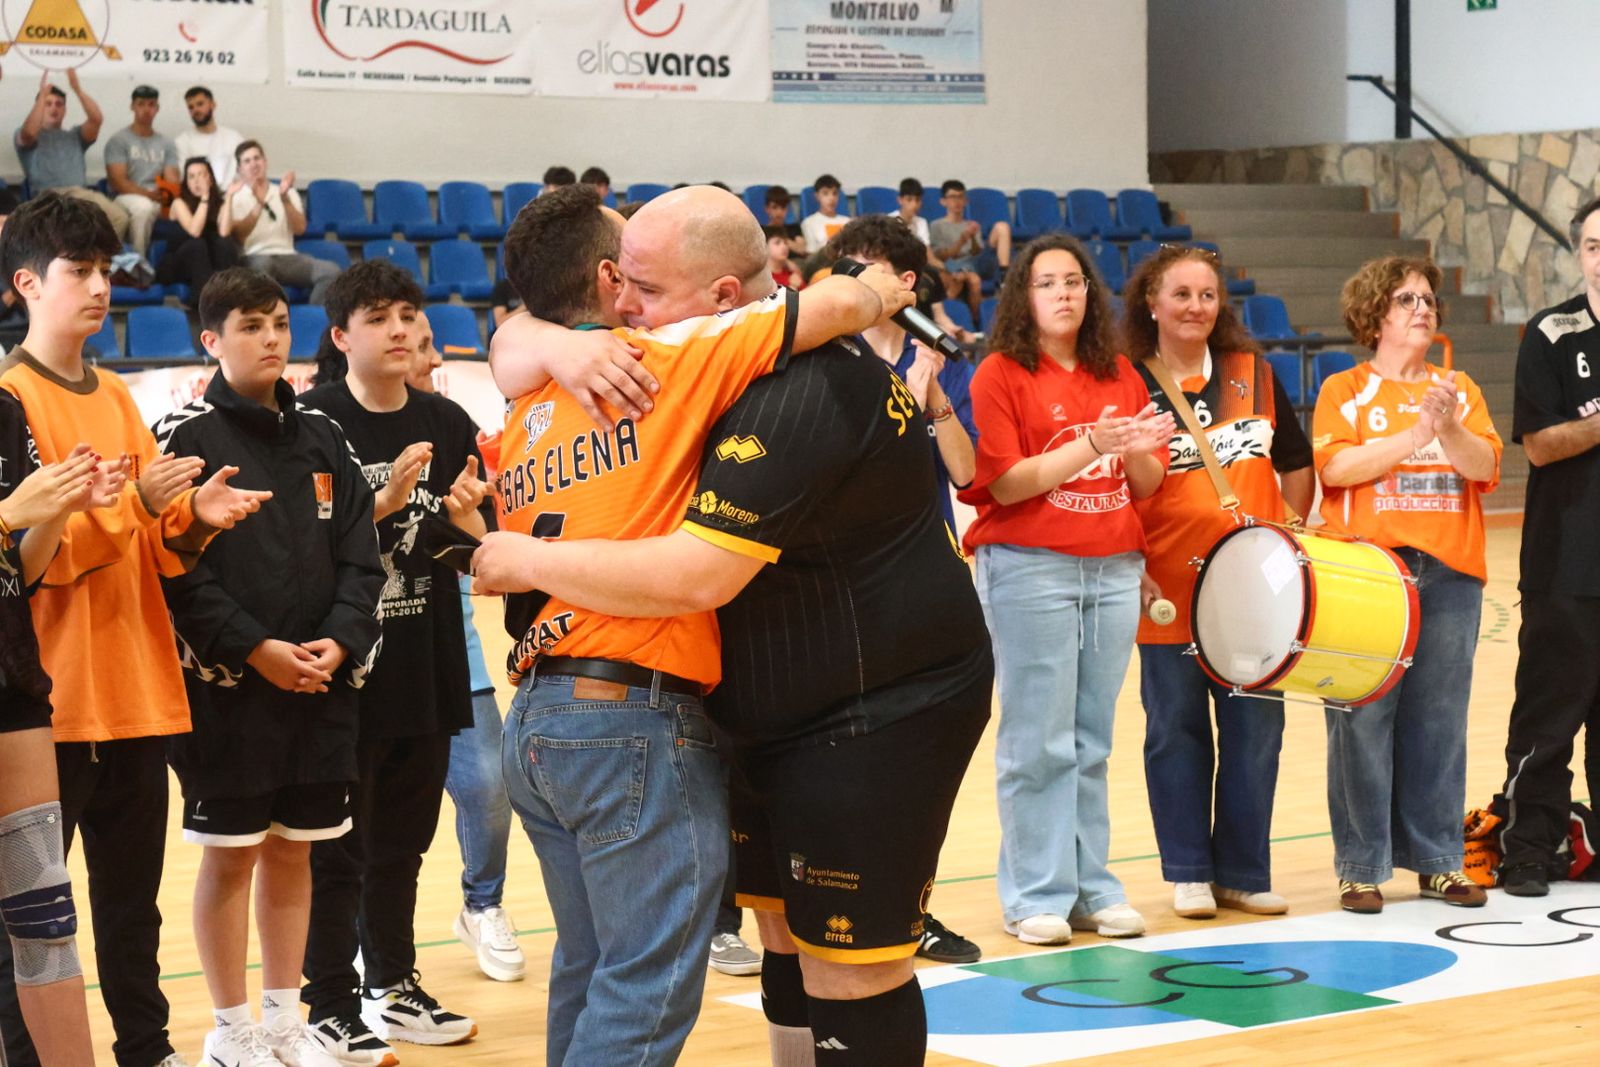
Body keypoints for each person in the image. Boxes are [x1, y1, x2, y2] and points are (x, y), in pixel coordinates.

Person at [476, 188, 992, 1067]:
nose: (625, 302)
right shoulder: (627, 360)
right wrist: (561, 341)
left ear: (720, 296)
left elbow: (700, 574)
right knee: (775, 939)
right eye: (616, 281)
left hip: (873, 704)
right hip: (729, 708)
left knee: (842, 960)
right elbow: (513, 339)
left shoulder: (772, 374)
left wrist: (520, 558)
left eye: (641, 283)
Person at [0, 191, 268, 1067]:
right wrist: (138, 513)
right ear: (26, 284)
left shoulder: (116, 393)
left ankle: (146, 1052)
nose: (99, 287)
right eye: (79, 271)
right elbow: (36, 557)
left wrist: (193, 518)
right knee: (32, 919)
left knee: (131, 910)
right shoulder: (11, 398)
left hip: (140, 688)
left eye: (107, 271)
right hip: (51, 706)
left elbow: (151, 540)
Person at [154, 268, 384, 1067]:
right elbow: (175, 573)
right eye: (251, 326)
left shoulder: (323, 435)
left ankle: (285, 1024)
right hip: (228, 696)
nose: (272, 339)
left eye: (280, 323)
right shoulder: (182, 437)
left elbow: (364, 555)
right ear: (210, 341)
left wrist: (340, 641)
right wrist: (256, 649)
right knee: (232, 855)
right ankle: (230, 1030)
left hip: (320, 689)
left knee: (296, 849)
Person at [959, 234, 1173, 947]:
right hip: (1030, 566)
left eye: (1075, 281)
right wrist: (1093, 444)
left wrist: (1143, 449)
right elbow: (1005, 482)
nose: (1064, 293)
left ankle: (1091, 887)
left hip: (1112, 567)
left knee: (1091, 738)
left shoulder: (1119, 373)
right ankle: (1034, 893)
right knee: (1037, 738)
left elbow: (1140, 485)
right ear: (1024, 294)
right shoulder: (999, 373)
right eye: (1048, 282)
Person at [298, 261, 486, 1061]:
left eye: (409, 313)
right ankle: (328, 1000)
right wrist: (374, 508)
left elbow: (452, 549)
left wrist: (463, 523)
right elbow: (302, 557)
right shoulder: (310, 422)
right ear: (342, 338)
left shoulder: (447, 420)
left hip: (426, 658)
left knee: (403, 846)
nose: (403, 329)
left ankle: (393, 984)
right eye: (380, 317)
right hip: (344, 673)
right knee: (338, 848)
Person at [1121, 244, 1314, 920]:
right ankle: (1188, 870)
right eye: (1181, 294)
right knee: (1175, 727)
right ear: (1152, 302)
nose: (1196, 306)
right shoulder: (1128, 381)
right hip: (1167, 586)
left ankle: (1242, 869)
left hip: (1257, 596)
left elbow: (1295, 460)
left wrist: (1288, 526)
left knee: (1256, 728)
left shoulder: (1254, 373)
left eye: (1207, 295)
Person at [1313, 255, 1500, 914]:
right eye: (1405, 299)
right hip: (1369, 576)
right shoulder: (1344, 388)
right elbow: (1336, 468)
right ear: (1375, 316)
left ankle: (1441, 862)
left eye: (1427, 299)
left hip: (1451, 572)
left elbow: (1485, 466)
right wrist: (1417, 431)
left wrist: (1446, 425)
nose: (1421, 308)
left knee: (1440, 722)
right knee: (1362, 718)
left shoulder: (1460, 387)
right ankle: (1359, 866)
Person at [400, 309, 528, 983]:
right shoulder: (332, 425)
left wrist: (470, 516)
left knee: (488, 785)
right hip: (376, 654)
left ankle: (483, 904)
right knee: (387, 815)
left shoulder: (452, 428)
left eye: (426, 343)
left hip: (453, 646)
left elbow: (477, 561)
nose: (425, 357)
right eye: (413, 344)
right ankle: (375, 940)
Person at [1, 396, 124, 1067]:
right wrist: (6, 514)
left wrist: (57, 510)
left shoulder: (2, 409)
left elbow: (21, 565)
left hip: (11, 679)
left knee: (44, 915)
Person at [1495, 196, 1600, 896]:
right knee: (1548, 718)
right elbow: (1539, 444)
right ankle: (1529, 846)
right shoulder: (1552, 333)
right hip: (1567, 563)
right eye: (1594, 245)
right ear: (1580, 254)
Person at [14, 70, 127, 238]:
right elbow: (29, 133)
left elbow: (96, 119)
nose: (54, 108)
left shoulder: (75, 136)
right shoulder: (26, 135)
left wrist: (77, 89)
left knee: (119, 218)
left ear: (65, 110)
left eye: (59, 104)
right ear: (39, 106)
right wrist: (42, 94)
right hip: (47, 198)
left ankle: (97, 259)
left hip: (81, 195)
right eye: (48, 103)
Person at [229, 140, 340, 306]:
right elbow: (238, 236)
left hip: (288, 256)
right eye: (247, 161)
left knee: (331, 271)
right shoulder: (236, 196)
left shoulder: (285, 191)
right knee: (262, 270)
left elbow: (300, 228)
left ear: (265, 162)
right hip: (254, 256)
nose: (253, 164)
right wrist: (258, 204)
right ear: (239, 169)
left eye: (257, 158)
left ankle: (313, 320)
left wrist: (285, 199)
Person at [104, 86, 180, 257]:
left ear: (157, 108)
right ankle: (139, 263)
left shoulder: (166, 143)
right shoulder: (119, 140)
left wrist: (169, 194)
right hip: (126, 197)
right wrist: (148, 194)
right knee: (144, 208)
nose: (146, 109)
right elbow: (118, 182)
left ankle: (170, 269)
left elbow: (172, 178)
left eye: (151, 105)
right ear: (133, 106)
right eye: (141, 104)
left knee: (182, 210)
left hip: (158, 197)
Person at [157, 158, 242, 309]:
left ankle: (229, 299)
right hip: (178, 264)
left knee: (225, 244)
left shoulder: (218, 203)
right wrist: (205, 198)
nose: (197, 181)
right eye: (191, 176)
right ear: (186, 181)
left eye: (201, 175)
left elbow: (224, 232)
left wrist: (229, 197)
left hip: (207, 265)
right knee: (196, 245)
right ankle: (204, 303)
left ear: (210, 178)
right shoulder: (179, 203)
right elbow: (195, 231)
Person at [932, 179, 1012, 315]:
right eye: (952, 197)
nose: (957, 201)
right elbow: (941, 256)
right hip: (953, 264)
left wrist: (973, 237)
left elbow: (977, 252)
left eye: (960, 197)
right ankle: (976, 320)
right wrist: (962, 240)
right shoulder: (937, 225)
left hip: (976, 262)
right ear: (943, 201)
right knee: (974, 280)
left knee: (1002, 227)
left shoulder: (971, 224)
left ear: (966, 201)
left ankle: (1004, 278)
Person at [175, 86, 245, 189]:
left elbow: (244, 171)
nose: (196, 110)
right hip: (199, 197)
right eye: (191, 107)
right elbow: (185, 178)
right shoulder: (182, 142)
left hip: (233, 194)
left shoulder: (234, 137)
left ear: (213, 104)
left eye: (200, 104)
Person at [799, 173, 849, 254]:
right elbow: (811, 254)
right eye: (825, 193)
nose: (831, 198)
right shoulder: (809, 223)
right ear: (817, 196)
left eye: (835, 193)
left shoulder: (848, 222)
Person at [762, 185, 807, 257]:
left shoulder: (794, 228)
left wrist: (781, 241)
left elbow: (802, 249)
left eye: (783, 207)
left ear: (787, 209)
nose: (779, 212)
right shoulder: (762, 231)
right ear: (767, 209)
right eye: (775, 207)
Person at [890, 178, 933, 252]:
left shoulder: (922, 222)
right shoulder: (889, 220)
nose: (914, 205)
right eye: (909, 200)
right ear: (900, 200)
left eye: (918, 200)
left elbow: (927, 252)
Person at [765, 226, 804, 290]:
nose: (784, 246)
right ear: (764, 246)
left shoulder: (792, 273)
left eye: (785, 243)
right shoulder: (763, 279)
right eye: (777, 243)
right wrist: (793, 287)